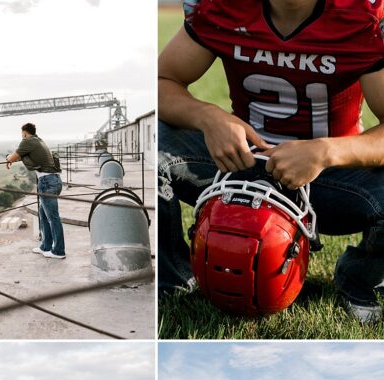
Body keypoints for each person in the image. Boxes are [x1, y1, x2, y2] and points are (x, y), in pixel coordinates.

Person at [158, 0, 384, 323]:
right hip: (242, 163)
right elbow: (161, 80)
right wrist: (207, 117)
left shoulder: (359, 16)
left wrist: (325, 152)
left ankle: (360, 276)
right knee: (154, 146)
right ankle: (178, 279)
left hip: (327, 177)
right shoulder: (226, 7)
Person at [7, 122, 66, 259]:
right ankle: (45, 246)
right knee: (44, 216)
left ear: (25, 133)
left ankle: (58, 251)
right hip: (51, 181)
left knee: (53, 218)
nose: (22, 137)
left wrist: (8, 158)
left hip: (47, 182)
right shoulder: (38, 140)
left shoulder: (28, 141)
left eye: (22, 135)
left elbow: (13, 157)